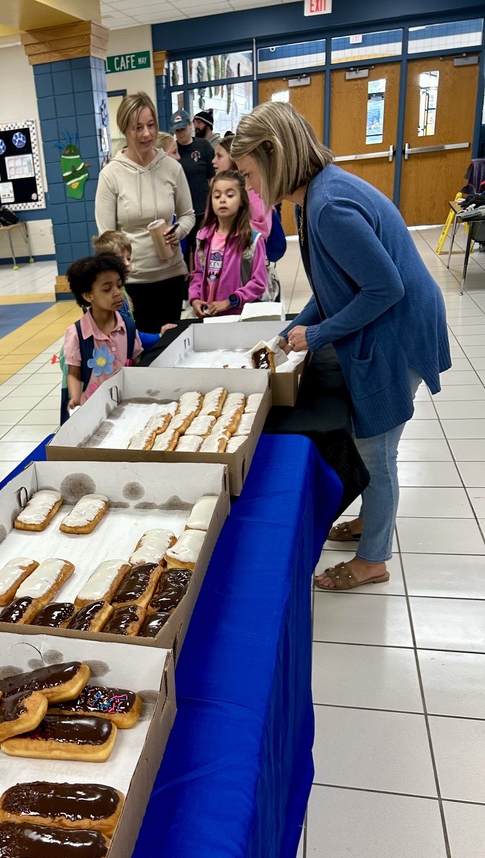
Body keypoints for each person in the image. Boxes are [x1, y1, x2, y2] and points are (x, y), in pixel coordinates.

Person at [231, 101, 451, 590]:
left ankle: (373, 558)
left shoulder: (328, 207)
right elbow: (336, 288)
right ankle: (372, 522)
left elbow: (383, 289)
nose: (249, 188)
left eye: (248, 174)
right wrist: (293, 327)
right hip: (392, 323)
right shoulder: (317, 194)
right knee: (371, 441)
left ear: (273, 155)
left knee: (378, 450)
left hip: (400, 332)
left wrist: (317, 335)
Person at [95, 92, 195, 334]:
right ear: (124, 130)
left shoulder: (172, 168)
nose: (147, 134)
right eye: (137, 127)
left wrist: (178, 231)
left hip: (170, 276)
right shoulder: (111, 174)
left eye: (151, 125)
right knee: (137, 352)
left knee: (168, 346)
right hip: (131, 284)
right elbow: (106, 238)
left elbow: (188, 214)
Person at [63, 252, 143, 410]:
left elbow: (136, 362)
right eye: (107, 289)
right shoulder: (77, 333)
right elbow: (73, 373)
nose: (117, 292)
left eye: (119, 285)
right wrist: (75, 397)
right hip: (93, 407)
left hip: (126, 402)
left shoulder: (128, 326)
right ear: (87, 295)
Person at [188, 170, 268, 319]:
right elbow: (198, 273)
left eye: (230, 195)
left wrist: (230, 301)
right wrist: (194, 298)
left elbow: (258, 283)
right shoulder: (203, 237)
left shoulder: (252, 239)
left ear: (242, 200)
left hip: (239, 316)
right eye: (217, 196)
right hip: (209, 315)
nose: (222, 200)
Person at [92, 230, 176, 346]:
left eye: (129, 258)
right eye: (120, 259)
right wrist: (159, 337)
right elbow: (126, 336)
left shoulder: (123, 291)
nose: (127, 263)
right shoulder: (112, 299)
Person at [171, 108, 214, 276]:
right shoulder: (173, 151)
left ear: (190, 126)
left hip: (203, 209)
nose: (180, 133)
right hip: (181, 212)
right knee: (182, 253)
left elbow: (212, 178)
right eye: (177, 130)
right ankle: (188, 291)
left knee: (202, 250)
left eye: (183, 128)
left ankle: (206, 284)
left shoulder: (202, 146)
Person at [213, 136, 271, 238]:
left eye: (219, 156)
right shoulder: (216, 186)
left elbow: (262, 229)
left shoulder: (252, 189)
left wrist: (231, 228)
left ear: (233, 159)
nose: (213, 161)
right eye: (217, 196)